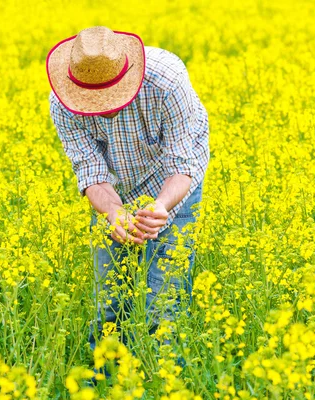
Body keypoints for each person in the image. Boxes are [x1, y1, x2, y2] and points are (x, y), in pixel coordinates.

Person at [46, 26, 210, 354]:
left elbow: (182, 163)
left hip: (173, 187)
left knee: (163, 305)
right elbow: (90, 171)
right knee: (108, 306)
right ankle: (105, 381)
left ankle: (166, 382)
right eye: (91, 101)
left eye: (109, 97)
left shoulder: (167, 81)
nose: (102, 108)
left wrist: (160, 207)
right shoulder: (63, 102)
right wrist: (112, 212)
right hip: (114, 192)